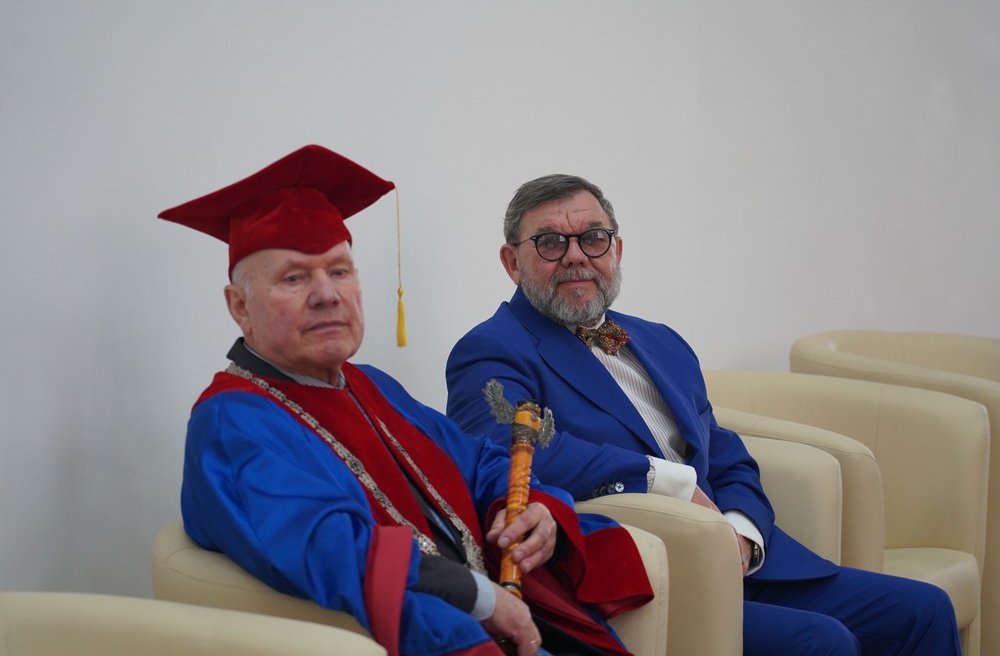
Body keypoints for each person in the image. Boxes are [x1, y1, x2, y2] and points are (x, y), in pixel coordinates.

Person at [158, 148, 654, 656]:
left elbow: (476, 459)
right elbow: (326, 545)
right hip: (437, 633)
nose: (328, 295)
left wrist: (527, 508)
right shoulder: (233, 419)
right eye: (294, 278)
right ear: (240, 307)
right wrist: (479, 596)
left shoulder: (366, 385)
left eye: (340, 272)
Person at [445, 174, 962, 656]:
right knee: (822, 641)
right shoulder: (491, 350)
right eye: (551, 242)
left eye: (593, 238)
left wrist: (742, 532)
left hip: (746, 562)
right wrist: (663, 480)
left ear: (616, 249)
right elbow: (512, 452)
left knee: (925, 609)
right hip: (650, 577)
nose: (576, 256)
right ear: (512, 262)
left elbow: (726, 454)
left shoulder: (660, 341)